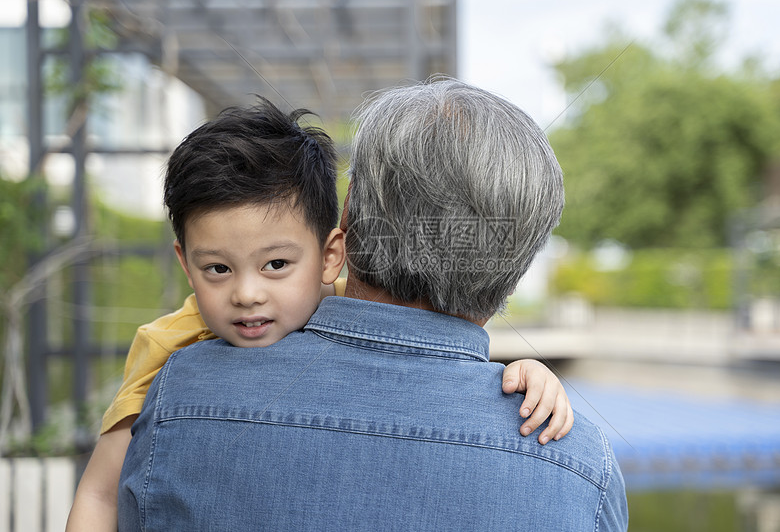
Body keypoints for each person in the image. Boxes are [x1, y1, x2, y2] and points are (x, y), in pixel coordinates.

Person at [66, 96, 576, 531]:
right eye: (218, 268)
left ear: (336, 245)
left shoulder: (187, 385)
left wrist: (527, 373)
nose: (248, 295)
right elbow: (97, 494)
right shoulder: (169, 346)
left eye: (277, 264)